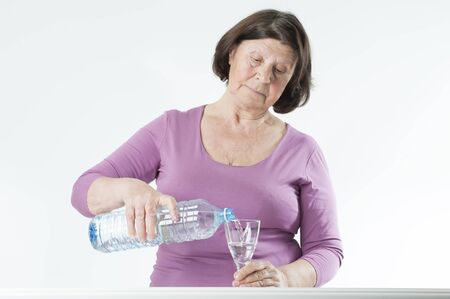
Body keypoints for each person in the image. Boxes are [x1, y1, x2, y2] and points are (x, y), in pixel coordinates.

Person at [71, 9, 343, 287]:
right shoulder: (172, 129)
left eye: (280, 71)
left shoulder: (303, 152)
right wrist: (130, 190)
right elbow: (83, 192)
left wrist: (284, 278)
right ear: (231, 54)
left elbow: (327, 249)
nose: (263, 77)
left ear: (290, 84)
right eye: (256, 60)